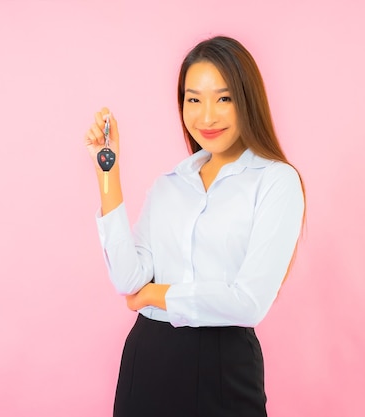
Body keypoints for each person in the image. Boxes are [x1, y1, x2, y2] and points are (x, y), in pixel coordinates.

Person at [84, 35, 305, 417]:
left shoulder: (275, 181)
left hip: (223, 363)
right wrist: (109, 173)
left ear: (246, 99)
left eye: (223, 98)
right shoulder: (169, 184)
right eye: (193, 99)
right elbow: (127, 279)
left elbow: (248, 303)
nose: (206, 117)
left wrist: (155, 296)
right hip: (147, 359)